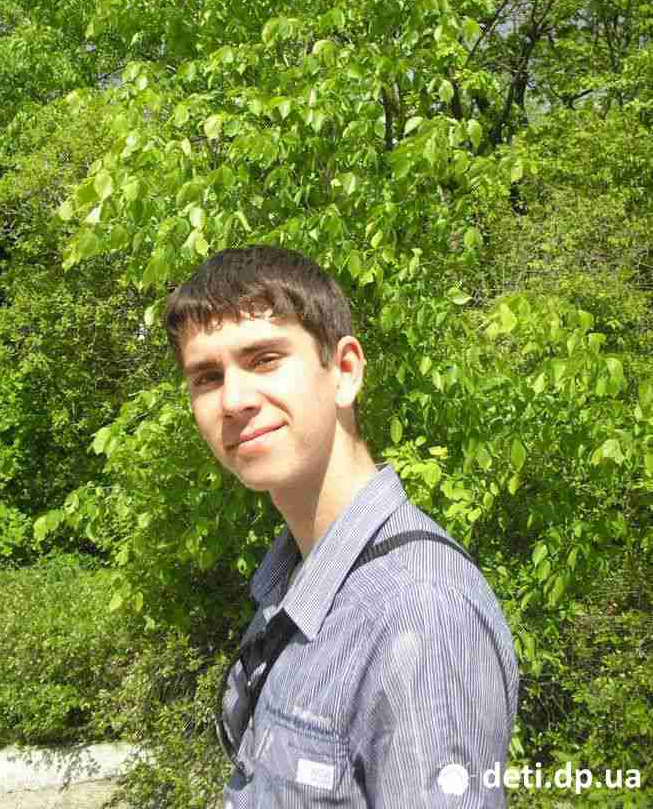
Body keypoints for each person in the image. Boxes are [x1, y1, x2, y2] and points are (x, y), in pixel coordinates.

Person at [164, 245, 519, 807]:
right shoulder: (293, 580)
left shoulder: (420, 612)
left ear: (345, 372)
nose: (233, 400)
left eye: (264, 359)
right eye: (207, 377)